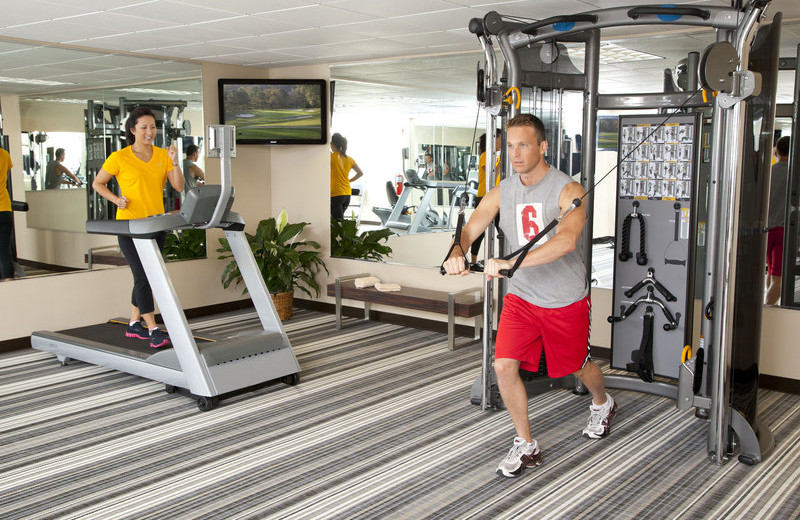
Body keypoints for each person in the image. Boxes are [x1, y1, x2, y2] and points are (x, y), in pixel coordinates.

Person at [442, 114, 616, 478]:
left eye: (524, 144)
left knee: (576, 366)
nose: (516, 153)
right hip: (522, 299)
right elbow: (471, 228)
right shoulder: (504, 191)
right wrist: (457, 251)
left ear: (543, 146)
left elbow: (567, 241)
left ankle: (603, 402)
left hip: (564, 298)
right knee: (503, 366)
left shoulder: (568, 190)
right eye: (510, 146)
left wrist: (510, 263)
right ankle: (526, 443)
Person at [91, 106, 184, 348]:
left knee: (148, 276)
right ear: (132, 130)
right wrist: (116, 199)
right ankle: (152, 328)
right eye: (143, 127)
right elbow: (98, 183)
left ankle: (134, 324)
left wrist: (175, 162)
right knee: (144, 275)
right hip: (129, 226)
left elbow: (179, 186)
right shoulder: (119, 157)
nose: (149, 132)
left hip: (156, 224)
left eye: (152, 127)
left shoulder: (163, 156)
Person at [471, 132, 502, 264]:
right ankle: (473, 261)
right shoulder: (485, 155)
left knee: (503, 230)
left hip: (497, 198)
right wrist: (503, 161)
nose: (502, 142)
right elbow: (492, 175)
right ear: (493, 139)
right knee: (480, 231)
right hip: (484, 197)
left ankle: (503, 258)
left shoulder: (496, 157)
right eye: (501, 139)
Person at [765, 135, 790, 305]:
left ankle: (765, 308)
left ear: (776, 151)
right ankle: (766, 313)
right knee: (778, 280)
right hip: (784, 231)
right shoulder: (794, 174)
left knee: (770, 274)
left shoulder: (769, 172)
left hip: (765, 231)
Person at [330, 132, 364, 219]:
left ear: (332, 144)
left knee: (337, 223)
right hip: (347, 193)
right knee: (339, 221)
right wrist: (349, 180)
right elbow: (360, 173)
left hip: (336, 194)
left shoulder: (330, 157)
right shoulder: (349, 159)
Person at [0, 147, 14, 281]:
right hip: (4, 208)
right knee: (4, 251)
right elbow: (5, 178)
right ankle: (10, 285)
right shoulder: (4, 154)